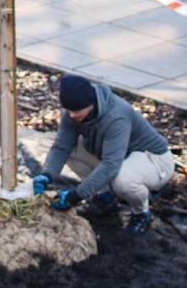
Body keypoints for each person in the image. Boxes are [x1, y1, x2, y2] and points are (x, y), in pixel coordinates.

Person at [32, 74, 175, 235]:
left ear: (90, 103)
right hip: (118, 157)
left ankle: (141, 213)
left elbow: (110, 165)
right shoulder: (73, 113)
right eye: (69, 110)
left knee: (123, 180)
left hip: (153, 159)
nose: (71, 115)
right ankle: (105, 197)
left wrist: (76, 196)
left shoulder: (116, 117)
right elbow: (61, 147)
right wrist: (47, 174)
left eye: (76, 111)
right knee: (70, 150)